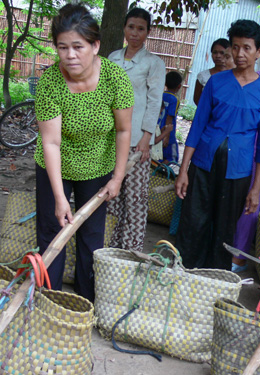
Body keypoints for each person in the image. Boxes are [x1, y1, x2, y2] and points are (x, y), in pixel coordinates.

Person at [34, 3, 133, 302]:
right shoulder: (50, 83)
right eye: (62, 47)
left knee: (91, 235)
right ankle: (49, 299)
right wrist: (61, 198)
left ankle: (84, 298)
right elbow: (51, 143)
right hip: (55, 165)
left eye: (78, 46)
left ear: (95, 45)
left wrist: (117, 178)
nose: (70, 55)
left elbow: (123, 131)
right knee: (53, 230)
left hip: (97, 166)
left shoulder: (116, 79)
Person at [174, 19, 260, 270]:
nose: (240, 54)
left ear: (259, 51)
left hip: (239, 169)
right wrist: (184, 170)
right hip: (203, 162)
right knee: (193, 221)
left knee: (225, 227)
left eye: (247, 48)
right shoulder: (216, 83)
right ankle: (185, 272)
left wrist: (256, 187)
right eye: (236, 47)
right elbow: (197, 127)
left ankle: (213, 280)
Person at [107, 8, 166, 253]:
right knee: (111, 194)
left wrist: (146, 138)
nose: (135, 33)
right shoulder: (112, 58)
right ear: (124, 28)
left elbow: (154, 102)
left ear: (148, 32)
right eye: (131, 27)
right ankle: (109, 246)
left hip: (136, 140)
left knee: (135, 197)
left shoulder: (153, 63)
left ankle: (131, 250)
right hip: (110, 137)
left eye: (141, 28)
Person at [155, 71, 183, 163]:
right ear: (179, 86)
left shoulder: (160, 95)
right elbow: (169, 117)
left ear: (165, 83)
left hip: (157, 130)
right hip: (168, 131)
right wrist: (166, 136)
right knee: (172, 157)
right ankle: (162, 173)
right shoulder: (174, 99)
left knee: (158, 153)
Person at [193, 38, 231, 105]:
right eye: (215, 52)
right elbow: (197, 99)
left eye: (222, 53)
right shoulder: (203, 76)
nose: (218, 56)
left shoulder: (234, 76)